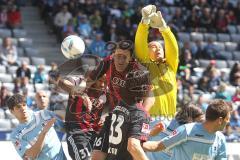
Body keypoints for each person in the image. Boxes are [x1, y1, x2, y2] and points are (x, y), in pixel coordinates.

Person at [135, 5, 179, 159]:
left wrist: (163, 28)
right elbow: (139, 45)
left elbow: (173, 49)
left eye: (160, 47)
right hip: (152, 121)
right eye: (153, 46)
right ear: (147, 53)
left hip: (172, 121)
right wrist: (144, 23)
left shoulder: (171, 67)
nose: (159, 48)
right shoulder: (145, 66)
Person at [92, 70, 151, 160]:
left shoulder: (117, 108)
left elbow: (98, 152)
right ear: (147, 88)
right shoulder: (140, 114)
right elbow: (133, 146)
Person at [143, 99, 231, 160]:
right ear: (190, 119)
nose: (202, 123)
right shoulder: (183, 130)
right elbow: (142, 131)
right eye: (200, 120)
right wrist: (148, 134)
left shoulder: (219, 138)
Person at [49, 70, 108, 160]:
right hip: (77, 133)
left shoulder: (106, 91)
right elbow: (61, 82)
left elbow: (109, 110)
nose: (103, 84)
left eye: (105, 81)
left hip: (95, 135)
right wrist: (82, 94)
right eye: (100, 80)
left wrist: (104, 118)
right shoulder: (80, 81)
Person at [7, 94, 66, 160]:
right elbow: (32, 155)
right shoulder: (15, 135)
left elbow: (67, 127)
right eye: (18, 107)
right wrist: (43, 133)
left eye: (24, 105)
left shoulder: (44, 114)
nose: (23, 109)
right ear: (11, 111)